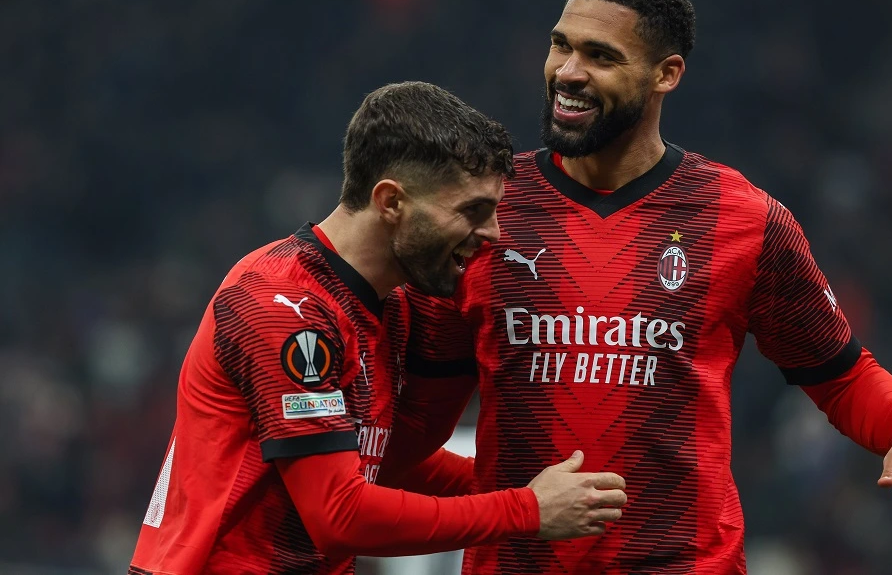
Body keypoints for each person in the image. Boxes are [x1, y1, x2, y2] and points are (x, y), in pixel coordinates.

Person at [382, 0, 892, 574]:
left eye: (600, 56)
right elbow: (414, 423)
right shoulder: (486, 211)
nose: (568, 73)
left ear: (667, 74)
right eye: (560, 46)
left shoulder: (740, 217)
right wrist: (508, 499)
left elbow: (838, 372)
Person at [128, 81, 628, 575]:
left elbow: (376, 459)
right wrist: (525, 510)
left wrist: (516, 485)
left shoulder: (390, 305)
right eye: (472, 211)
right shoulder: (282, 306)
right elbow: (339, 516)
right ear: (390, 201)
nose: (493, 234)